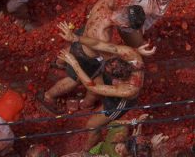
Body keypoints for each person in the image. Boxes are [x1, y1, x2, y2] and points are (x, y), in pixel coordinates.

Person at [56, 22, 151, 150]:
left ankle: (87, 149)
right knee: (97, 77)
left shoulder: (128, 89)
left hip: (118, 102)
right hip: (112, 82)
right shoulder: (130, 54)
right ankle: (87, 103)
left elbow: (93, 86)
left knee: (92, 125)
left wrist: (74, 64)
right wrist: (75, 38)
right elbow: (100, 45)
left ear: (117, 80)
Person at [40, 0, 145, 111]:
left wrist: (76, 38)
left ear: (125, 7)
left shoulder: (107, 1)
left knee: (72, 47)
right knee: (74, 80)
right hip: (85, 56)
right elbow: (110, 60)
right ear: (125, 26)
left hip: (82, 34)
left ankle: (59, 63)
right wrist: (135, 53)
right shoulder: (103, 36)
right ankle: (48, 96)